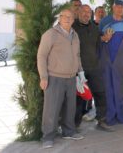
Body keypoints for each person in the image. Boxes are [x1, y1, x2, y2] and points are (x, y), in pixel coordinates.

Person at [37, 9, 84, 149]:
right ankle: (47, 137)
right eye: (65, 17)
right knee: (51, 109)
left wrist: (80, 73)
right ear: (60, 18)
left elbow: (77, 55)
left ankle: (68, 132)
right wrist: (43, 76)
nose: (68, 19)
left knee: (70, 108)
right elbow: (41, 56)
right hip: (54, 77)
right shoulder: (51, 34)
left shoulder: (75, 35)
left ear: (73, 20)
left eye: (70, 17)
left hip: (71, 78)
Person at [72, 4, 113, 131]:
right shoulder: (72, 27)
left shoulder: (95, 28)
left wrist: (106, 38)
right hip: (78, 69)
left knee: (101, 93)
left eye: (88, 12)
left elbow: (101, 39)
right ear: (78, 12)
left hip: (94, 67)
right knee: (78, 97)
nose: (86, 14)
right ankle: (75, 124)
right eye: (83, 11)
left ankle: (101, 121)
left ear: (91, 14)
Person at [99, 0, 123, 125]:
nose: (120, 8)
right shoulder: (104, 21)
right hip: (108, 62)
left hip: (122, 62)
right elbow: (97, 40)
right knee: (109, 89)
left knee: (122, 89)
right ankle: (111, 116)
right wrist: (105, 38)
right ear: (113, 7)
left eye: (122, 7)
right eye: (118, 6)